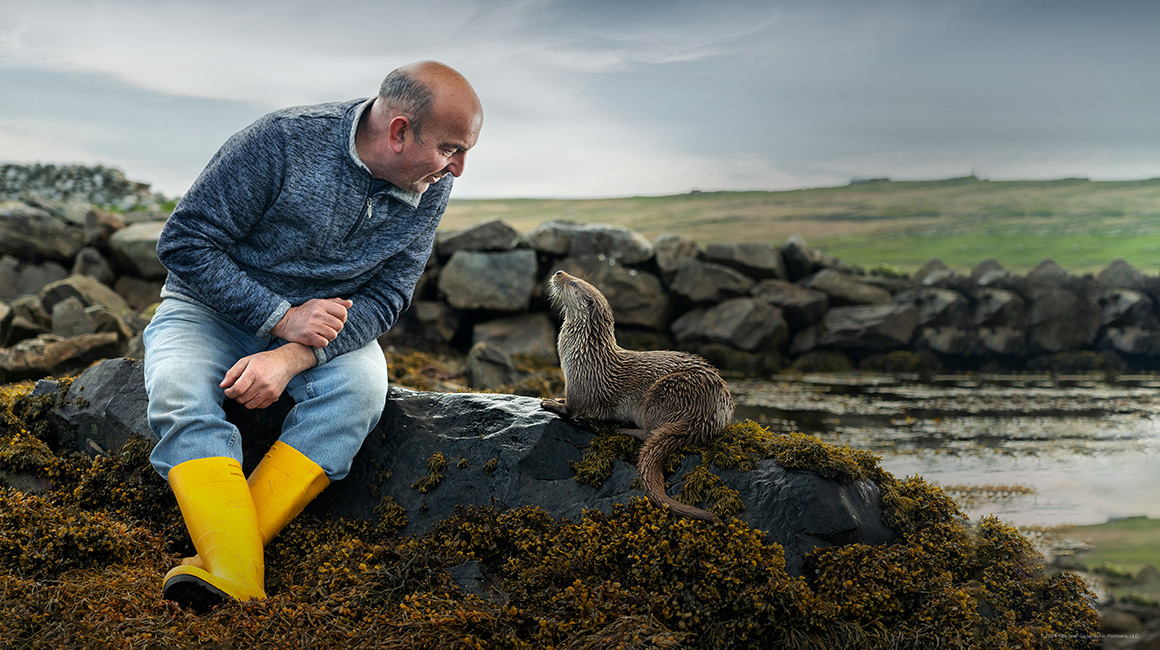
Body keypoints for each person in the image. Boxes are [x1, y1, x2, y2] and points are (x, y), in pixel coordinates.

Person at [142, 60, 482, 611]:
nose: (458, 169)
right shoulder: (280, 141)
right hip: (205, 311)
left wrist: (294, 355)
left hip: (323, 332)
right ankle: (240, 572)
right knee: (179, 390)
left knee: (361, 392)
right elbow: (184, 242)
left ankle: (227, 562)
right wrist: (279, 317)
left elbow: (389, 297)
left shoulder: (429, 185)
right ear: (399, 131)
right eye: (450, 149)